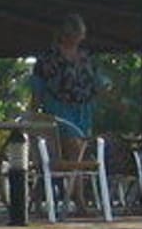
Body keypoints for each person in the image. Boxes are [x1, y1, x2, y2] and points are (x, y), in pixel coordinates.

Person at [31, 13, 106, 156]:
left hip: (83, 111)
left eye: (79, 35)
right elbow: (37, 88)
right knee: (74, 146)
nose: (76, 38)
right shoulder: (48, 58)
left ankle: (76, 171)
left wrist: (116, 101)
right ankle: (73, 171)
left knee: (83, 151)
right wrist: (34, 118)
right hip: (59, 110)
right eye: (71, 34)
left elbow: (99, 84)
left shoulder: (87, 58)